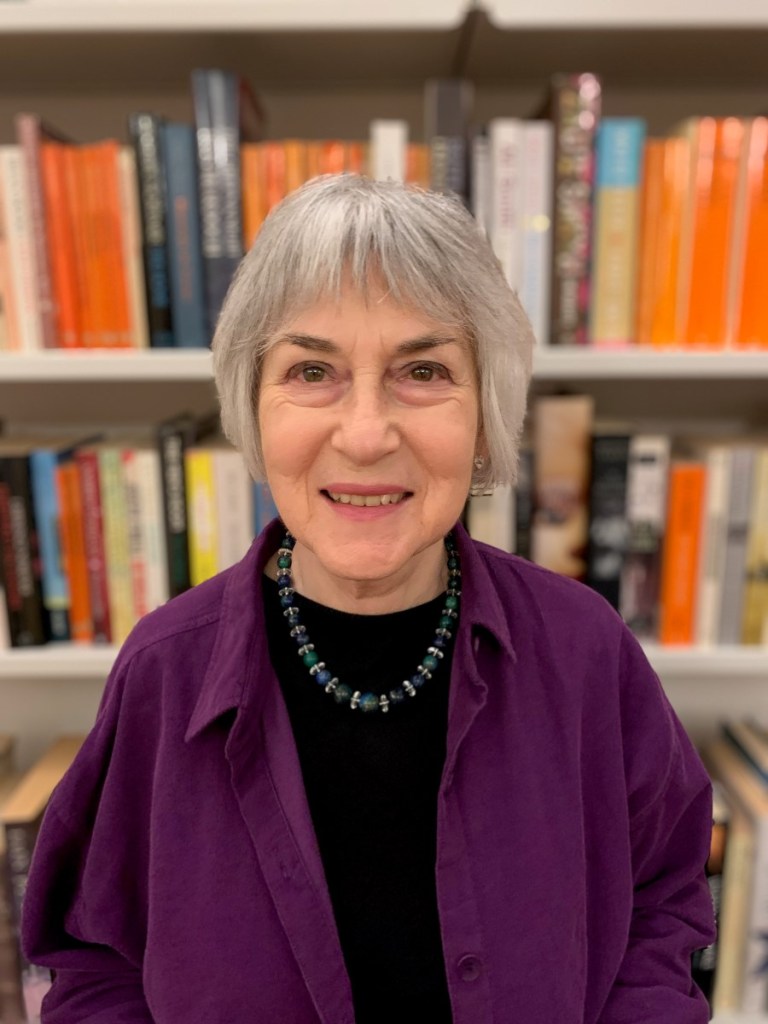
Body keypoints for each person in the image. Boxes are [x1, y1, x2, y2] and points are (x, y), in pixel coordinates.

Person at [22, 175, 715, 1024]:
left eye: (422, 370)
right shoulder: (165, 669)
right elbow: (97, 962)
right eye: (312, 370)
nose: (365, 433)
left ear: (485, 409)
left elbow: (662, 900)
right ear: (254, 404)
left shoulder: (584, 651)